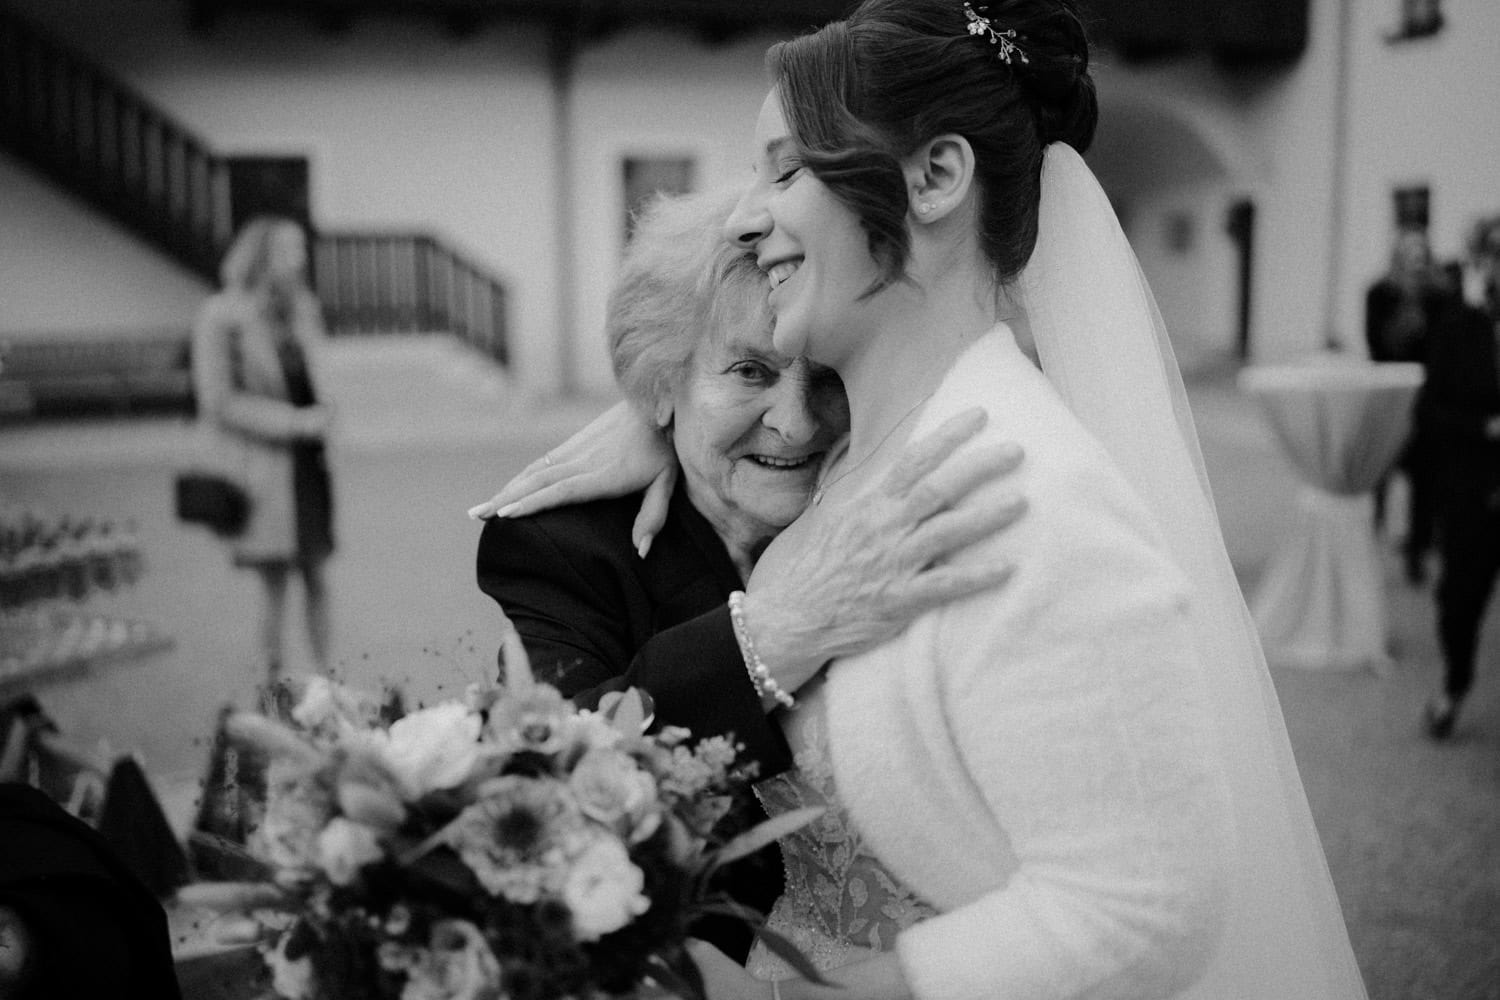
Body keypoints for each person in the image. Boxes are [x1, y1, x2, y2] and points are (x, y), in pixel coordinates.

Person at [484, 2, 1368, 997]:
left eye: (784, 169)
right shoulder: (870, 457)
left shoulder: (1023, 495)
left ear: (938, 177)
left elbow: (1147, 904)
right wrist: (662, 420)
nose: (744, 213)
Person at [474, 187, 1027, 962]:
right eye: (749, 372)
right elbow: (561, 772)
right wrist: (773, 637)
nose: (797, 422)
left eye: (827, 375)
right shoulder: (561, 550)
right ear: (660, 387)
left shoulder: (902, 506)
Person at [192, 216, 336, 705]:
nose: (298, 261)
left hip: (309, 466)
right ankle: (272, 693)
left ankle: (327, 685)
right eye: (286, 250)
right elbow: (217, 401)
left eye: (300, 250)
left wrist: (326, 411)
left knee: (317, 574)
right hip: (264, 470)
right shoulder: (222, 315)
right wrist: (294, 422)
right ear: (259, 256)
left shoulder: (303, 310)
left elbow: (318, 378)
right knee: (274, 583)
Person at [1418, 214, 1500, 740]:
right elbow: (1430, 413)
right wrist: (1485, 426)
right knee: (1458, 599)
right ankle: (1454, 684)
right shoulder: (1455, 329)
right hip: (1472, 490)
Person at [1365, 226, 1444, 583]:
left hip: (1426, 405)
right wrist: (1407, 310)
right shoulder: (1380, 294)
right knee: (1377, 480)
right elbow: (1379, 349)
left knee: (1424, 485)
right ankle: (1368, 549)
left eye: (1421, 252)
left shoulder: (1439, 298)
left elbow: (1442, 353)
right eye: (1409, 251)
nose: (1415, 259)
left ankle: (1416, 554)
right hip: (1388, 401)